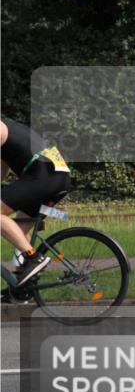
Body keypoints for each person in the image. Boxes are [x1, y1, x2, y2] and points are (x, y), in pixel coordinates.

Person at [0, 118, 72, 286]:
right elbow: (2, 171)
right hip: (58, 178)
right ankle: (22, 287)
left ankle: (34, 257)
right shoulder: (10, 128)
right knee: (17, 233)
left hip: (43, 178)